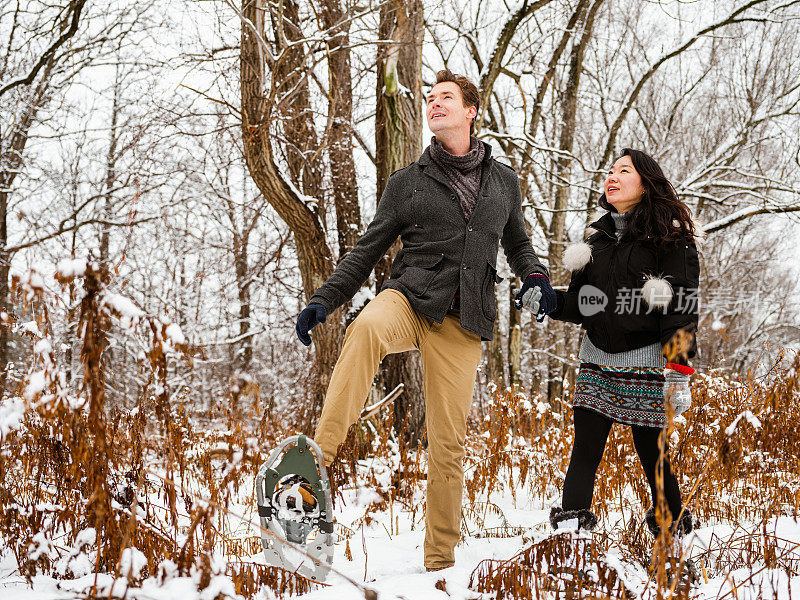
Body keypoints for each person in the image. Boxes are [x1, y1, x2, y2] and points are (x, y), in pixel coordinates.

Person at [295, 69, 556, 571]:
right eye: (430, 99)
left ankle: (439, 562)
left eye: (446, 98)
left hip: (465, 316)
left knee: (448, 444)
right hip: (410, 297)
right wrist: (324, 301)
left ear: (470, 110)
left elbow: (518, 243)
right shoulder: (407, 183)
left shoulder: (503, 181)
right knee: (367, 327)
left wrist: (536, 278)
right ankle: (315, 463)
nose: (434, 104)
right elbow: (368, 249)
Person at [546, 148, 700, 540]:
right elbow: (585, 304)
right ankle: (569, 535)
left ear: (645, 182)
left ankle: (674, 537)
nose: (611, 177)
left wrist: (678, 371)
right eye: (610, 171)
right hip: (596, 359)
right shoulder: (595, 242)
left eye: (623, 171)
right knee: (585, 448)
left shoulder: (671, 238)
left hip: (647, 361)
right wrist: (548, 300)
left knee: (652, 454)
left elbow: (680, 308)